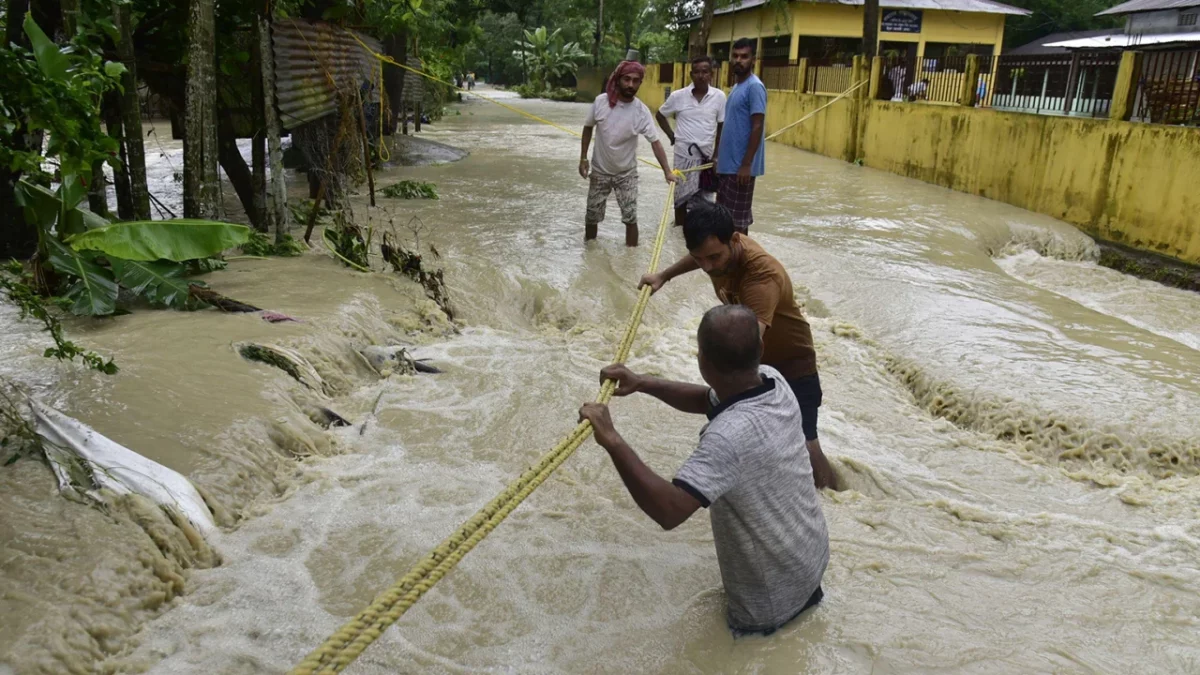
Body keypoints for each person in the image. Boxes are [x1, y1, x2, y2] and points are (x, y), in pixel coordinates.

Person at [578, 304, 830, 635]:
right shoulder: (774, 380)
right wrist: (642, 383)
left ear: (702, 363)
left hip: (769, 604)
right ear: (760, 350)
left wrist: (611, 439)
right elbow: (706, 400)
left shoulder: (728, 437)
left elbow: (669, 510)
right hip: (811, 561)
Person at [639, 199, 839, 490]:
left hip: (792, 362)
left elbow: (747, 342)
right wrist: (663, 277)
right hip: (759, 362)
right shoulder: (719, 249)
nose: (707, 267)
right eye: (700, 259)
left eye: (714, 258)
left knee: (805, 441)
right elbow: (700, 256)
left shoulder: (760, 276)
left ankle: (834, 500)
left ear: (734, 241)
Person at [580, 61, 676, 247]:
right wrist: (583, 158)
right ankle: (590, 252)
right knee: (592, 216)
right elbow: (587, 128)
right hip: (600, 171)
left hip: (627, 174)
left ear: (640, 83)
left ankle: (631, 257)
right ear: (618, 80)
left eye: (636, 81)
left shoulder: (641, 111)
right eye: (627, 79)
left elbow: (655, 143)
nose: (631, 85)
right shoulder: (601, 102)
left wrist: (667, 171)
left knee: (630, 218)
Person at [655, 55, 726, 229]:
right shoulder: (677, 96)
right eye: (697, 72)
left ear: (711, 74)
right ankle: (680, 232)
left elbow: (721, 127)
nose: (701, 76)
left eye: (705, 72)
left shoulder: (720, 97)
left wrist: (717, 156)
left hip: (707, 159)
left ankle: (699, 235)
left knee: (706, 203)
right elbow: (660, 115)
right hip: (683, 157)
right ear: (691, 74)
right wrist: (672, 136)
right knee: (680, 199)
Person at [716, 38, 767, 233]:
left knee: (737, 225)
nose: (739, 60)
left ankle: (742, 263)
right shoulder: (737, 88)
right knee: (724, 223)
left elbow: (758, 125)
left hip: (740, 170)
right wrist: (718, 159)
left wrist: (746, 164)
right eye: (735, 56)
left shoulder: (754, 87)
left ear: (753, 59)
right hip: (728, 168)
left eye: (744, 56)